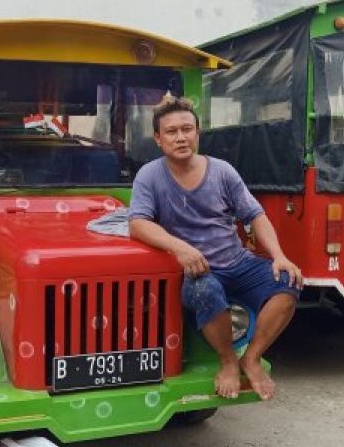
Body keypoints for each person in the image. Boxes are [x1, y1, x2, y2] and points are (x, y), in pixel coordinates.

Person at [127, 96, 303, 401]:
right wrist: (179, 248)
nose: (180, 137)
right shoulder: (150, 176)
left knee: (289, 280)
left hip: (237, 262)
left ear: (198, 133)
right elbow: (138, 223)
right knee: (205, 291)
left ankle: (251, 357)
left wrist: (279, 256)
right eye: (171, 132)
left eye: (187, 129)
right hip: (198, 271)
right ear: (158, 138)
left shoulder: (222, 171)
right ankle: (227, 361)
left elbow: (255, 215)